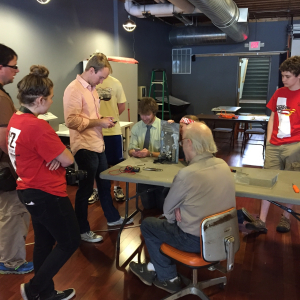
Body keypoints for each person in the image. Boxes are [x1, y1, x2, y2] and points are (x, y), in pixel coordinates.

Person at [129, 122, 236, 293]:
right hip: (223, 237)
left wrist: (177, 214)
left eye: (181, 142)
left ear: (189, 143)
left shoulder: (187, 174)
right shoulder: (224, 165)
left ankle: (167, 277)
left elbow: (167, 212)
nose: (181, 147)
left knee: (148, 224)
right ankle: (155, 267)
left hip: (194, 240)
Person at [7, 65, 80, 300]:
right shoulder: (37, 126)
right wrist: (58, 156)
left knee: (43, 242)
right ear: (39, 99)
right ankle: (34, 288)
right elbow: (68, 160)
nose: (52, 101)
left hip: (28, 190)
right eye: (50, 97)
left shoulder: (16, 119)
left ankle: (45, 293)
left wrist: (53, 157)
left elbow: (43, 154)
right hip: (46, 193)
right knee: (70, 241)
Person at [63, 53, 132, 243]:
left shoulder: (92, 89)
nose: (102, 81)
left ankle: (112, 218)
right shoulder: (74, 89)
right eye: (101, 77)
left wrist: (102, 122)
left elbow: (91, 117)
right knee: (85, 190)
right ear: (91, 70)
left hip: (97, 142)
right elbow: (71, 121)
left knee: (103, 183)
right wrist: (98, 122)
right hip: (84, 146)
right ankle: (82, 230)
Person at [246, 56, 300, 234]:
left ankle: (286, 218)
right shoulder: (279, 93)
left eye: (287, 76)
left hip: (294, 146)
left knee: (291, 182)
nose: (283, 79)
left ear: (298, 76)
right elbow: (272, 117)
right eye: (282, 76)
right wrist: (269, 140)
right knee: (267, 182)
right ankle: (261, 220)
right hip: (274, 145)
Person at [0, 44, 33, 275]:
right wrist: (20, 170)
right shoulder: (1, 99)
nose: (16, 71)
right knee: (13, 214)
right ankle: (11, 261)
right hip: (6, 168)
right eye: (13, 66)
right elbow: (5, 140)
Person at [88, 74, 127, 203]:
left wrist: (111, 119)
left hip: (112, 130)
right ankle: (95, 190)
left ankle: (117, 187)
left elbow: (121, 105)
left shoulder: (116, 82)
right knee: (94, 163)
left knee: (115, 162)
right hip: (95, 130)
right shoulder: (89, 82)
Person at [128, 97, 165, 210]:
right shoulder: (136, 127)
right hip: (142, 168)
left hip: (161, 170)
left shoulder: (164, 127)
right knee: (147, 205)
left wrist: (150, 154)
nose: (144, 118)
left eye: (147, 115)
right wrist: (133, 152)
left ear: (154, 112)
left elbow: (168, 155)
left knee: (160, 205)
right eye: (141, 115)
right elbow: (130, 150)